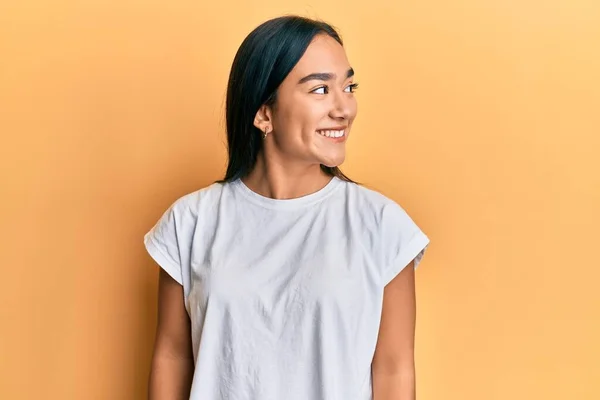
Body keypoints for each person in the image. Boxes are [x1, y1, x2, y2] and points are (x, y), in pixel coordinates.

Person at [144, 15, 430, 400]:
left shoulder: (382, 226)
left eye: (348, 86)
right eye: (320, 90)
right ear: (264, 113)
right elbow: (173, 356)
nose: (344, 107)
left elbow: (394, 369)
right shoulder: (190, 223)